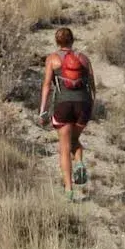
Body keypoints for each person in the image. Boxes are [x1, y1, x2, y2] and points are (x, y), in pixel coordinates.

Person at [39, 27, 96, 200]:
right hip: (83, 105)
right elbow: (93, 87)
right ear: (73, 40)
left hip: (63, 104)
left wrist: (43, 110)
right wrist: (90, 107)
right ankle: (78, 162)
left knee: (64, 148)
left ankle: (69, 190)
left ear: (57, 42)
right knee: (74, 140)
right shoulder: (84, 59)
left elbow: (47, 85)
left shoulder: (52, 59)